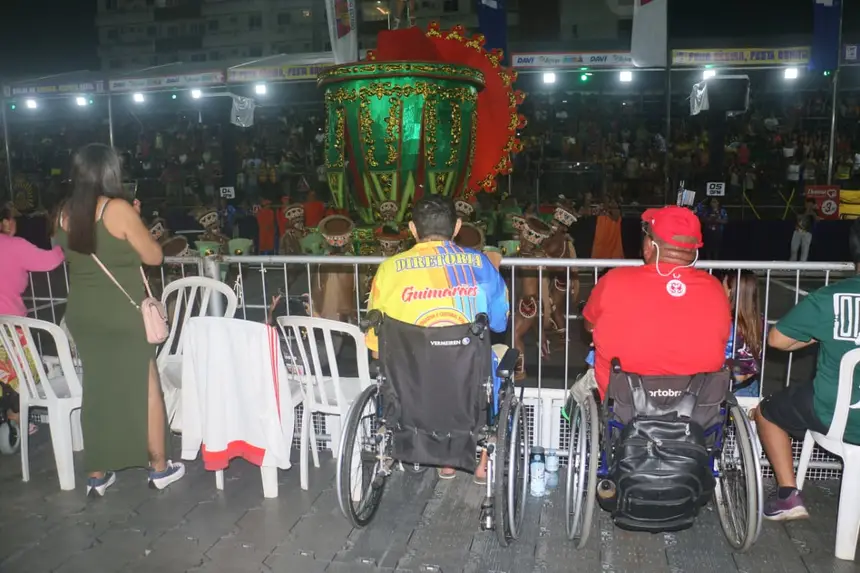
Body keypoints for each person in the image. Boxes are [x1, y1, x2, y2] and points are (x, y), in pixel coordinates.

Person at [54, 144, 185, 497]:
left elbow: (82, 251)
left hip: (82, 313)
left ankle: (97, 474)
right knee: (147, 388)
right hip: (122, 312)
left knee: (96, 388)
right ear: (110, 172)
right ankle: (159, 467)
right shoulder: (118, 209)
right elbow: (154, 257)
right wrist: (135, 221)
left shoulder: (63, 212)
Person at [366, 195, 509, 483]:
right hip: (465, 380)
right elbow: (499, 322)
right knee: (498, 355)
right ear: (457, 227)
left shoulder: (388, 270)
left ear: (412, 229)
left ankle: (444, 459)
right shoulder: (480, 265)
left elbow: (376, 347)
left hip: (411, 386)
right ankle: (481, 462)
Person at [752, 219, 860, 521]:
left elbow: (777, 339)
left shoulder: (831, 297)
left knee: (766, 411)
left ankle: (788, 494)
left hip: (838, 415)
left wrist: (818, 335)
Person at [583, 206, 730, 399]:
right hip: (697, 404)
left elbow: (589, 326)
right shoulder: (715, 288)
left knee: (581, 387)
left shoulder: (613, 280)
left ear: (649, 245)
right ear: (695, 250)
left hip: (624, 402)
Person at [0, 203, 65, 431]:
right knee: (25, 373)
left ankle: (10, 412)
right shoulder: (13, 246)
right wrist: (64, 242)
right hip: (9, 327)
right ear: (6, 222)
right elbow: (50, 260)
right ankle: (16, 413)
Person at [723, 271, 764, 398]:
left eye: (722, 286)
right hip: (750, 385)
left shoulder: (723, 321)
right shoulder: (759, 320)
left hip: (728, 387)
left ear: (731, 291)